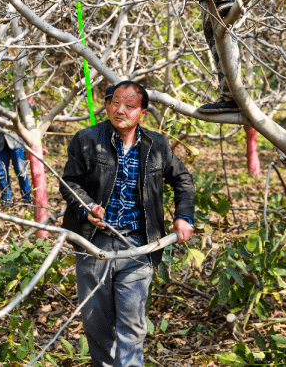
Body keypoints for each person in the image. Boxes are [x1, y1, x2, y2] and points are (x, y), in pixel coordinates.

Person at [60, 81, 195, 367]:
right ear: (107, 105)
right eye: (115, 102)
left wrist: (184, 216)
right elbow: (69, 182)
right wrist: (87, 208)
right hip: (93, 243)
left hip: (139, 244)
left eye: (130, 106)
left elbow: (183, 180)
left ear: (142, 113)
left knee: (132, 324)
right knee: (96, 323)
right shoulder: (86, 140)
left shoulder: (157, 145)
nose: (120, 110)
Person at [0, 131, 31, 206]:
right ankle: (6, 200)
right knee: (1, 173)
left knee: (21, 170)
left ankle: (27, 199)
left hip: (16, 141)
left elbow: (34, 120)